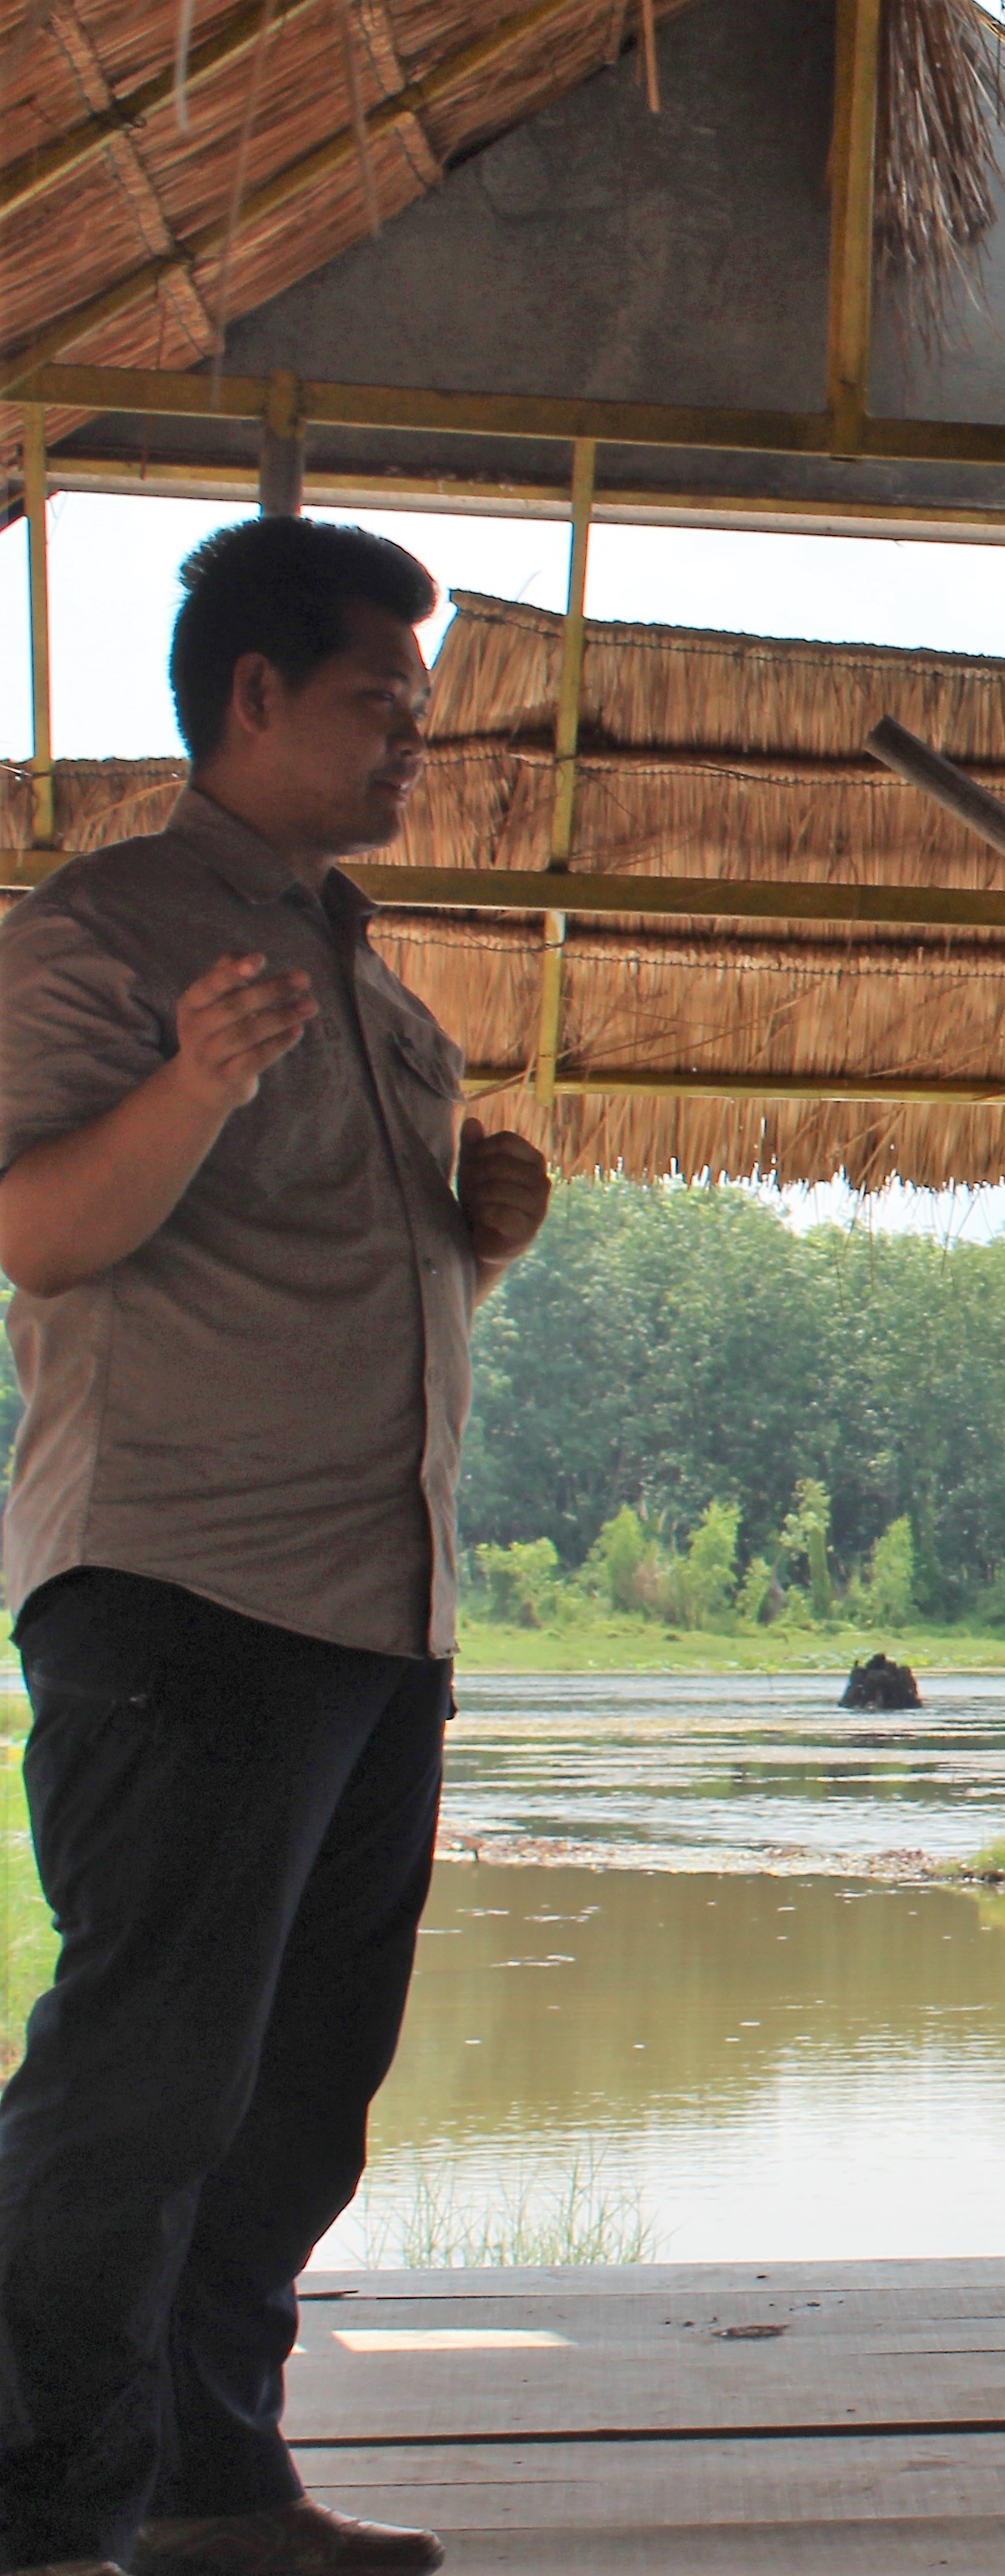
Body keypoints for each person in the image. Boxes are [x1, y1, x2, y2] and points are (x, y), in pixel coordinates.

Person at [0, 518, 554, 2576]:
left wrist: (472, 1251)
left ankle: (212, 2486)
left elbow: (319, 1284)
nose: (412, 744)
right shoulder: (109, 932)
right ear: (251, 695)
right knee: (143, 2083)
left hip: (372, 1606)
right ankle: (34, 2503)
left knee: (299, 2089)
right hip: (183, 1589)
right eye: (376, 705)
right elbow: (41, 1231)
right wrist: (193, 1079)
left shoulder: (366, 975)